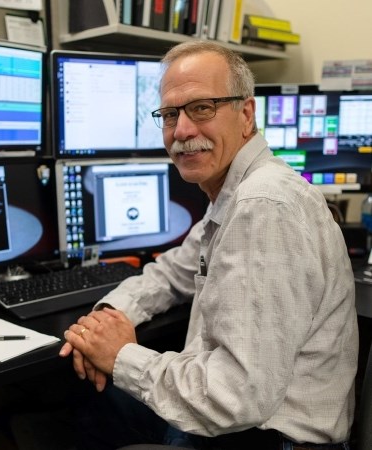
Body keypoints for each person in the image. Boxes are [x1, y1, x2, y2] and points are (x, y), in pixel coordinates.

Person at [60, 40, 358, 449]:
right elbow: (170, 274)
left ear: (246, 114)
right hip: (237, 422)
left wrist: (121, 356)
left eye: (202, 107)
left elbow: (234, 397)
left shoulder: (262, 206)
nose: (182, 130)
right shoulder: (235, 194)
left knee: (83, 402)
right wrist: (110, 317)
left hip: (264, 438)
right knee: (85, 400)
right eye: (170, 114)